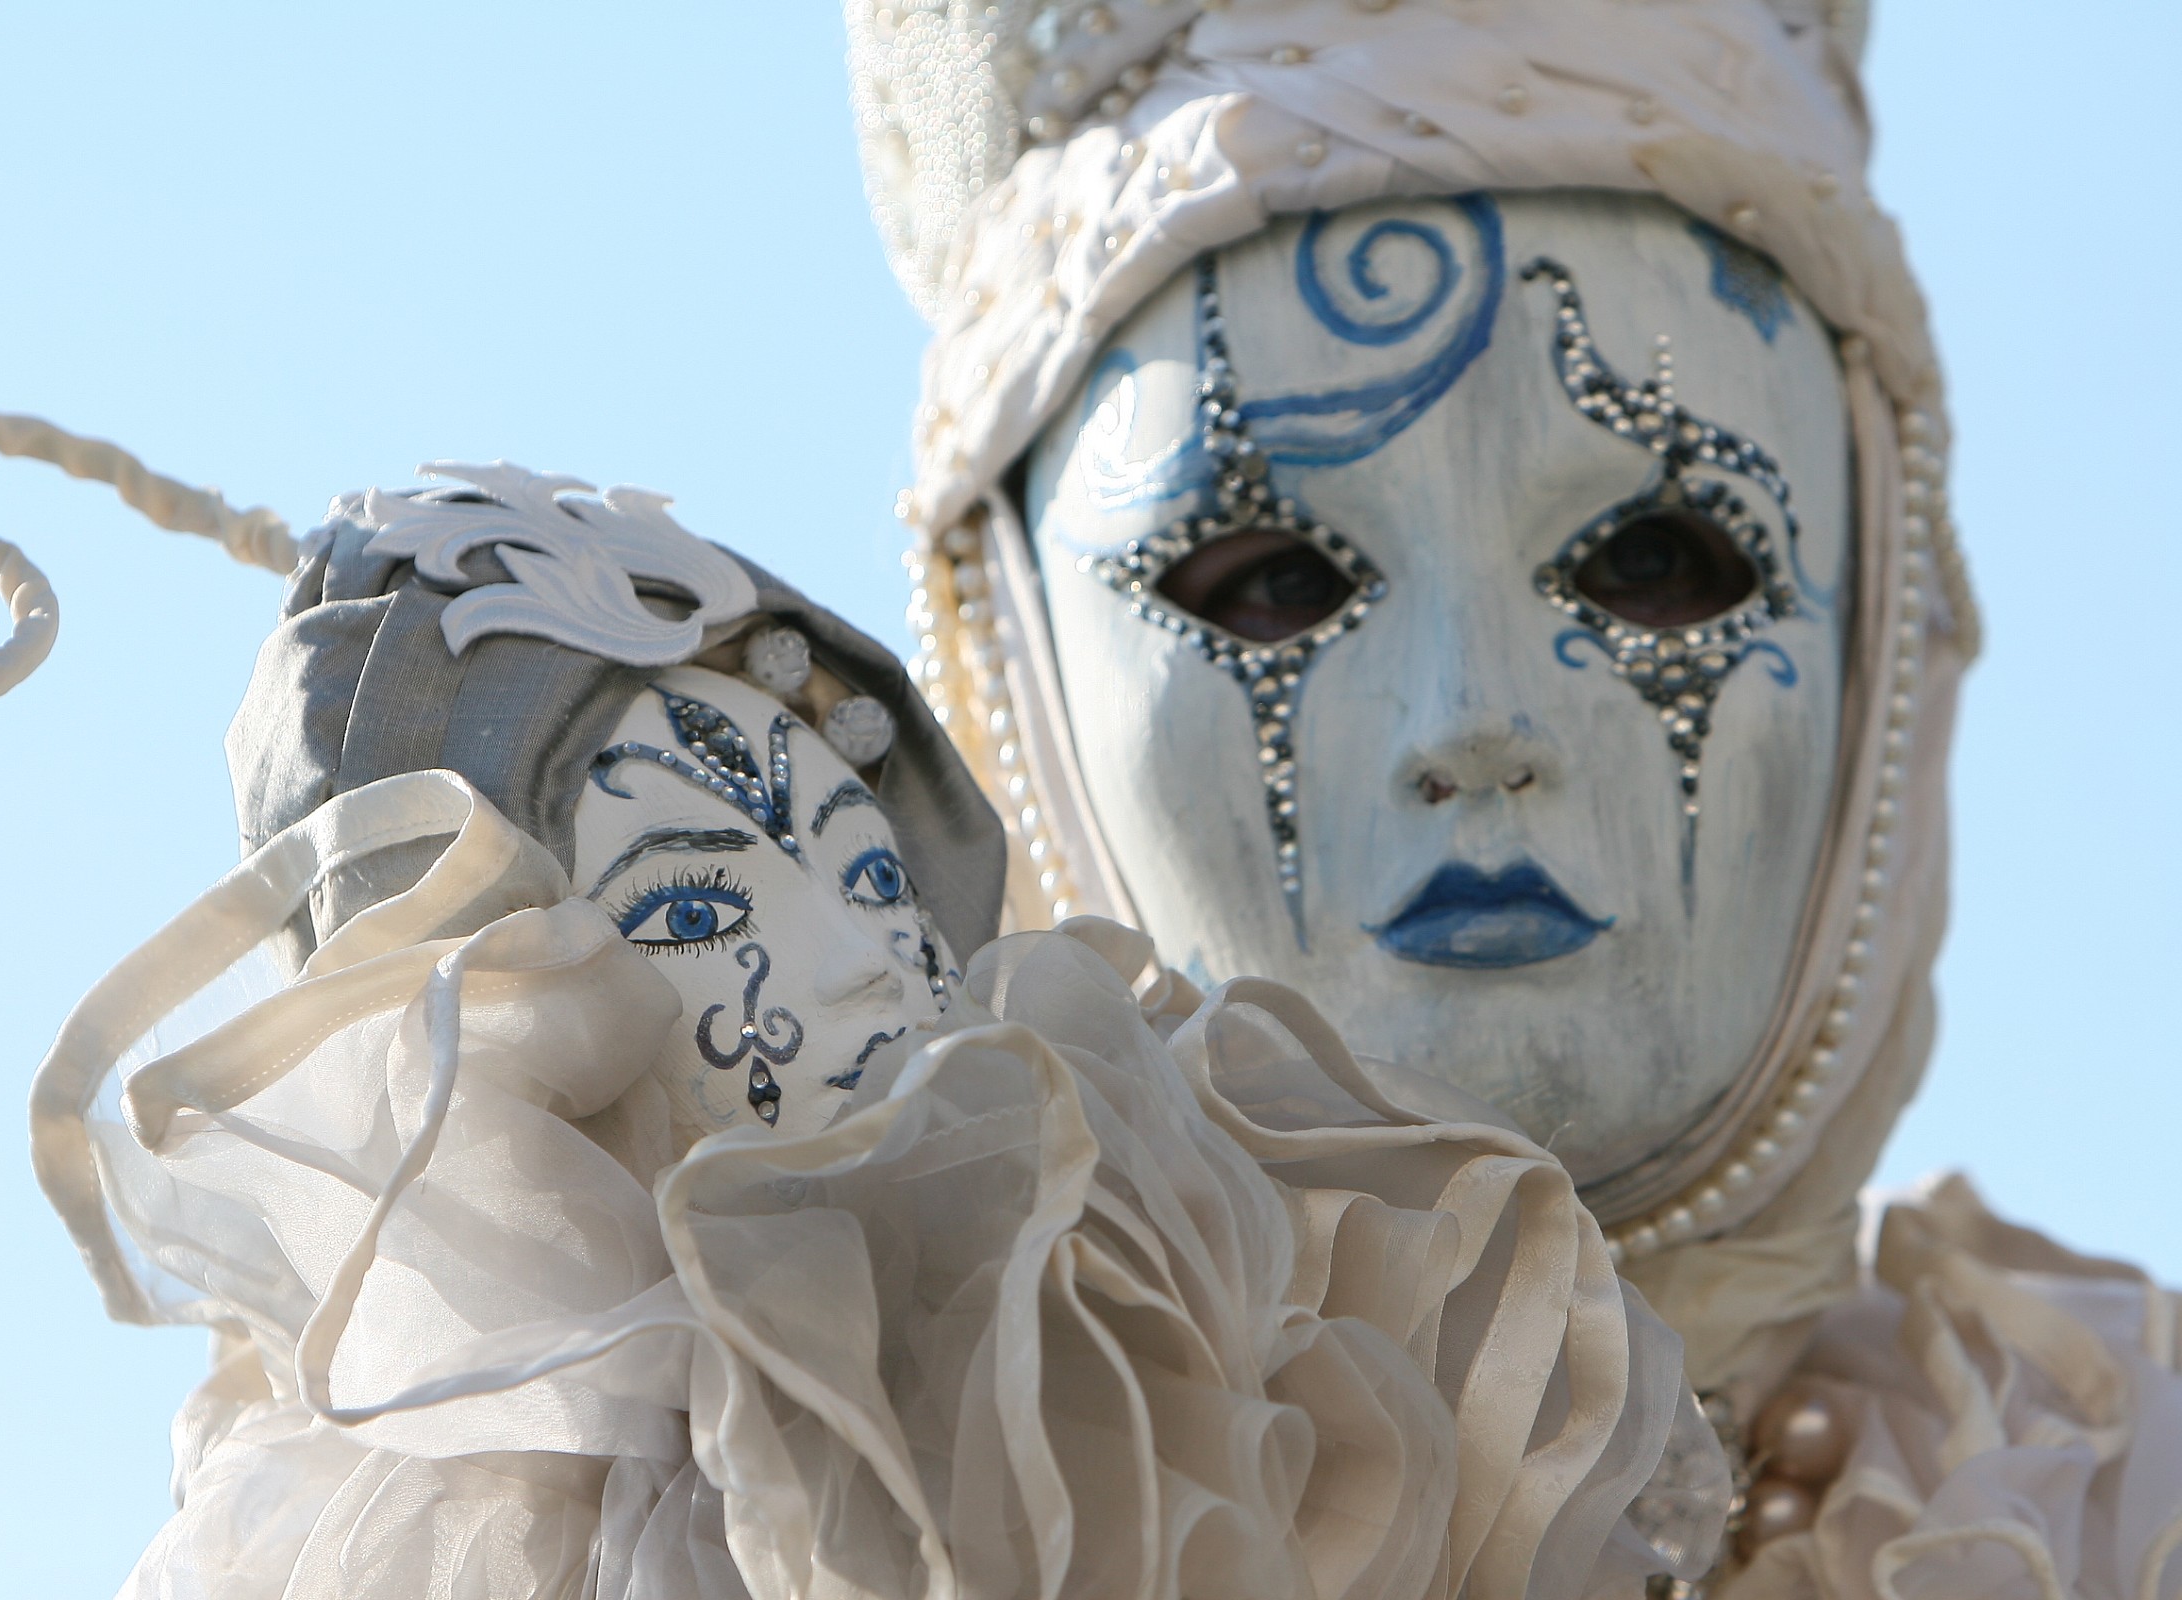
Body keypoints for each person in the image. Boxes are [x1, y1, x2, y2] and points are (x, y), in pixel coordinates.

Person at [855, 0, 2180, 1592]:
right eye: (1274, 582)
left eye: (1652, 561)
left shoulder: (2112, 1498)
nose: (1472, 720)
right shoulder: (792, 1492)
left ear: (1889, 637)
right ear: (1011, 678)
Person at [30, 461, 1725, 1597]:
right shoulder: (427, 1541)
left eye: (867, 868)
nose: (858, 962)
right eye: (699, 909)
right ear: (493, 1019)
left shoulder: (1220, 1315)